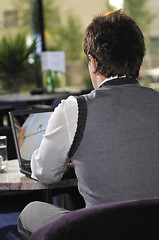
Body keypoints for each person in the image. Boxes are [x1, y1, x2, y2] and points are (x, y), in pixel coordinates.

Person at [18, 10, 159, 239]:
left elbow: (45, 173)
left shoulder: (75, 109)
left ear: (93, 63)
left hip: (102, 231)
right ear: (138, 61)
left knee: (30, 212)